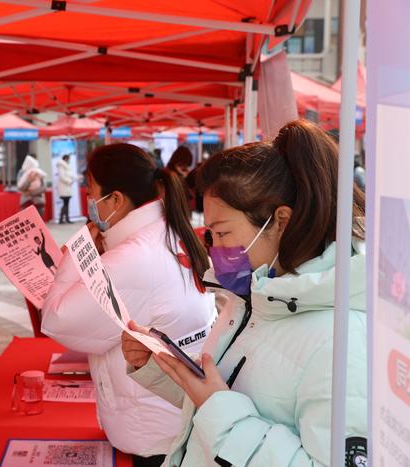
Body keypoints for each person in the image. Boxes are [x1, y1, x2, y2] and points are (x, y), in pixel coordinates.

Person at [122, 120, 367, 466]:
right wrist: (159, 363)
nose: (215, 249)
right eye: (210, 235)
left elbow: (222, 408)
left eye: (221, 233)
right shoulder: (256, 299)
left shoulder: (345, 339)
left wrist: (221, 412)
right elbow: (220, 396)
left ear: (280, 221)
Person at [41, 143, 217, 466]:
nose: (89, 200)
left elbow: (56, 318)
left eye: (92, 191)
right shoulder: (167, 231)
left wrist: (75, 254)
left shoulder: (131, 258)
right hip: (175, 421)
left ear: (116, 199)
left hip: (153, 437)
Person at [56, 154, 79, 224]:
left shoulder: (66, 166)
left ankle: (64, 219)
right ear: (66, 158)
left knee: (66, 204)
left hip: (66, 188)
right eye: (69, 158)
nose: (69, 160)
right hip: (64, 188)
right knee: (66, 204)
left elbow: (70, 175)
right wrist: (69, 181)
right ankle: (64, 219)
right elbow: (62, 177)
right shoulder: (61, 166)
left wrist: (76, 178)